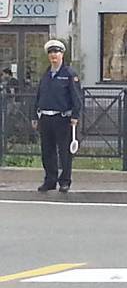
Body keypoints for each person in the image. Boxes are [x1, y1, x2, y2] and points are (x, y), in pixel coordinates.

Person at [30, 40, 82, 193]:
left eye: (56, 52)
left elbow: (76, 97)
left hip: (63, 118)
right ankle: (50, 180)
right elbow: (39, 96)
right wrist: (35, 116)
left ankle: (64, 181)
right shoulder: (46, 74)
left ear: (62, 54)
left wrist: (75, 115)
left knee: (65, 151)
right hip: (46, 118)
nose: (54, 56)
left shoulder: (69, 74)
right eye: (51, 53)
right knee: (47, 151)